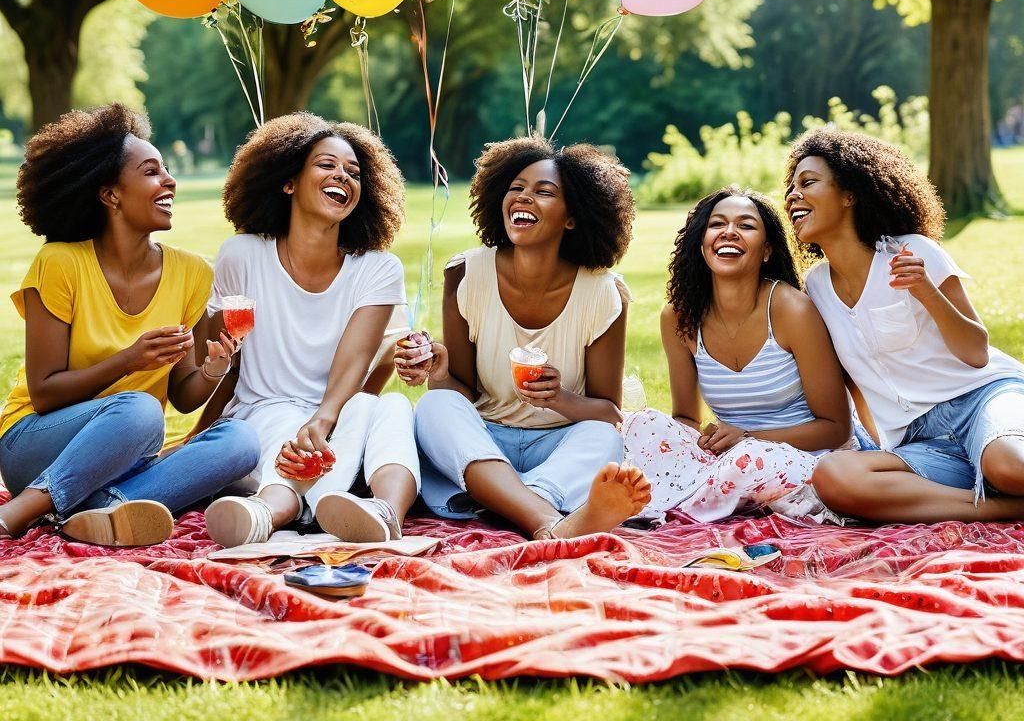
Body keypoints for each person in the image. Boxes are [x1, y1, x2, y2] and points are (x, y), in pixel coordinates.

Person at [0, 104, 259, 546]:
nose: (170, 182)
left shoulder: (192, 272)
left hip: (129, 452)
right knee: (138, 409)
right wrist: (129, 361)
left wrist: (215, 369)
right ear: (110, 194)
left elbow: (182, 396)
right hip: (35, 443)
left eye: (167, 170)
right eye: (152, 172)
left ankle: (106, 508)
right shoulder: (61, 263)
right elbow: (44, 393)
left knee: (241, 442)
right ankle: (26, 506)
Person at [397, 136, 651, 541]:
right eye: (516, 188)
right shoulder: (466, 275)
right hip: (485, 441)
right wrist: (440, 373)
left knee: (603, 438)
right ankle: (547, 519)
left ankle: (510, 500)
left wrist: (560, 398)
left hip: (559, 442)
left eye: (543, 191)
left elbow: (608, 413)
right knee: (435, 404)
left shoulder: (601, 292)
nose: (525, 197)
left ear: (572, 217)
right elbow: (460, 395)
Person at [201, 114, 420, 548]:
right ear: (288, 183)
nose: (342, 175)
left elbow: (356, 360)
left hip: (336, 413)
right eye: (326, 165)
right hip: (263, 411)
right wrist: (198, 436)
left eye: (354, 172)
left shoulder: (378, 268)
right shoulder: (241, 256)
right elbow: (222, 360)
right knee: (285, 420)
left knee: (391, 406)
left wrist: (323, 419)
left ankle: (385, 514)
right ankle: (279, 509)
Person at [786, 129, 1024, 522]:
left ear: (850, 194)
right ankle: (1005, 506)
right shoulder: (815, 287)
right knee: (835, 477)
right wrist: (881, 448)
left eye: (808, 182)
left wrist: (926, 290)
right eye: (791, 187)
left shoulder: (912, 251)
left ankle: (995, 488)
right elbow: (854, 382)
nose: (793, 194)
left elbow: (975, 352)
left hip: (981, 399)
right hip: (919, 440)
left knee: (1010, 466)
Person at [624, 187, 852, 524]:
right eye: (717, 224)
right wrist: (701, 440)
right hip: (730, 458)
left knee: (746, 460)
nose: (728, 232)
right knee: (641, 424)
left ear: (766, 251)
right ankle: (687, 495)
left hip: (801, 457)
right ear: (701, 244)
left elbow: (835, 429)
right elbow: (685, 418)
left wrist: (746, 437)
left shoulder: (791, 309)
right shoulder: (678, 318)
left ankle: (666, 507)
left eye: (746, 226)